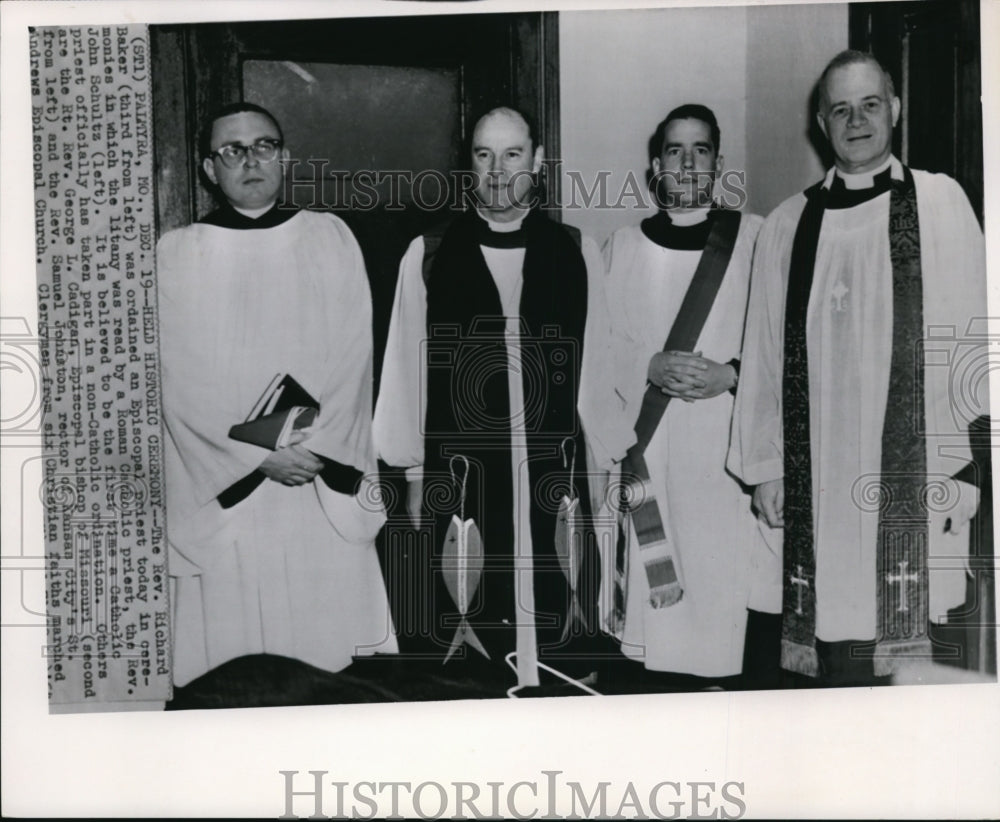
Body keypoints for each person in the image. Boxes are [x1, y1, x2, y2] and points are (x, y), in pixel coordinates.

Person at [728, 51, 985, 686]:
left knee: (912, 664)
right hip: (814, 473)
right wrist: (764, 468)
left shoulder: (940, 202)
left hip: (916, 472)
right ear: (821, 122)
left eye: (871, 104)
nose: (857, 120)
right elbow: (762, 352)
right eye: (841, 109)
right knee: (827, 657)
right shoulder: (788, 224)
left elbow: (975, 339)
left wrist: (965, 465)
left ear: (894, 109)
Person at [373, 106, 622, 688]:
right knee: (465, 618)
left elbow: (599, 363)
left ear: (537, 161)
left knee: (560, 609)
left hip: (551, 469)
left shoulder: (575, 249)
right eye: (484, 155)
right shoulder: (429, 252)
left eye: (512, 154)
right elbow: (404, 367)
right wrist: (411, 474)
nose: (498, 170)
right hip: (461, 474)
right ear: (470, 165)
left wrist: (603, 470)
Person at [158, 102, 397, 688]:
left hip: (316, 479)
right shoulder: (177, 253)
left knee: (328, 672)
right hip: (235, 487)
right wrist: (261, 454)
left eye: (263, 146)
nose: (249, 160)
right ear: (210, 170)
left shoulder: (330, 237)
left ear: (284, 157)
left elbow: (351, 358)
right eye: (231, 150)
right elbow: (179, 379)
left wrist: (302, 449)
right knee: (238, 677)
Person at [601, 104, 766, 685]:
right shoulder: (621, 247)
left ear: (718, 163)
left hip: (721, 449)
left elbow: (781, 343)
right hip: (648, 442)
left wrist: (732, 374)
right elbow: (599, 348)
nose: (689, 161)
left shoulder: (754, 238)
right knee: (653, 631)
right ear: (656, 166)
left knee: (716, 592)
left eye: (701, 150)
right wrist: (646, 362)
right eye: (676, 150)